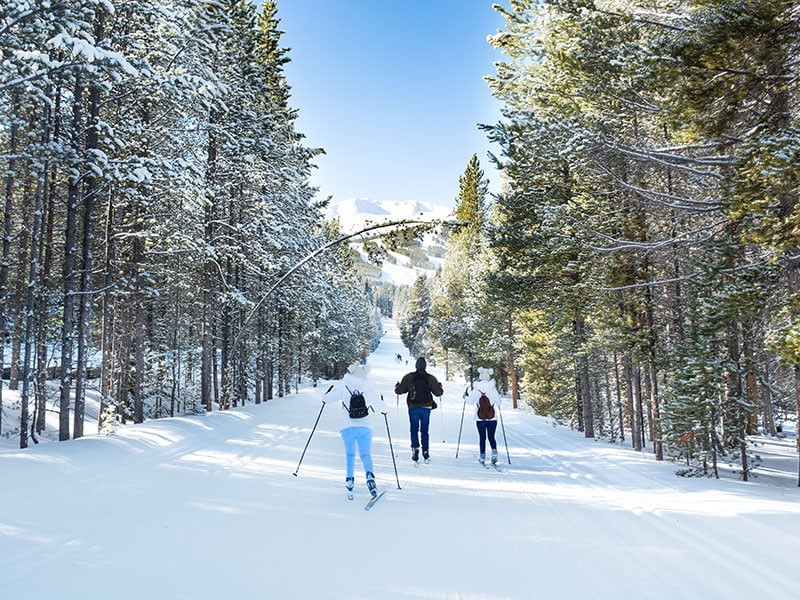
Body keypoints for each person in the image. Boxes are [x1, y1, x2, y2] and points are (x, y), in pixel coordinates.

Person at [324, 363, 388, 499]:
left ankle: (350, 481)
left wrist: (326, 394)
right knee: (365, 454)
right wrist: (384, 407)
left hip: (347, 427)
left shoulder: (344, 388)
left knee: (350, 454)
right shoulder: (368, 390)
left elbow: (326, 399)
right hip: (365, 427)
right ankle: (370, 479)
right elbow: (383, 408)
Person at [394, 357, 443, 464]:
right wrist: (440, 387)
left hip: (413, 407)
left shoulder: (409, 377)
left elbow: (399, 391)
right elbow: (438, 393)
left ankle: (415, 449)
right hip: (426, 407)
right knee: (424, 430)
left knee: (414, 429)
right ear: (425, 366)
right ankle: (425, 451)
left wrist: (397, 386)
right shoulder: (431, 378)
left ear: (416, 366)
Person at [465, 367, 502, 465]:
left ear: (480, 377)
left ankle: (482, 456)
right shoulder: (493, 389)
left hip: (480, 417)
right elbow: (499, 402)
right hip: (492, 417)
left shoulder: (476, 389)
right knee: (491, 436)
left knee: (482, 437)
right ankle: (494, 454)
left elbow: (470, 402)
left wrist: (465, 397)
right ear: (489, 376)